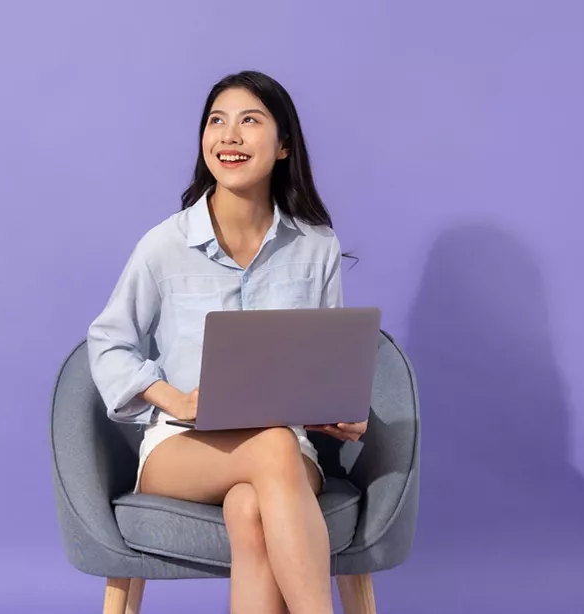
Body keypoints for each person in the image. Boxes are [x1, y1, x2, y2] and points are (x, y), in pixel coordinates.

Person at [86, 70, 366, 614]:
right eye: (217, 121)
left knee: (249, 507)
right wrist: (174, 397)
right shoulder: (164, 245)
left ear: (284, 145)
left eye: (249, 121)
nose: (229, 136)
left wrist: (340, 412)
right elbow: (108, 342)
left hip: (287, 448)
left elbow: (323, 361)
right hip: (180, 449)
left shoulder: (317, 247)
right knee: (272, 448)